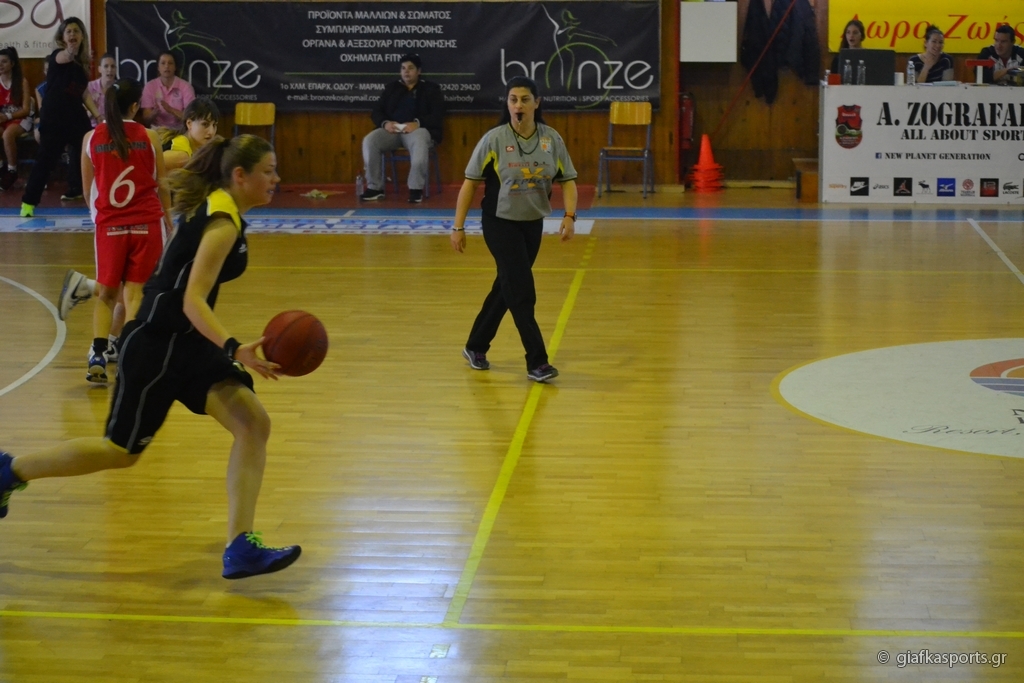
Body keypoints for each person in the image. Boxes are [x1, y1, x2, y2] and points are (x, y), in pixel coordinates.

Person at [0, 134, 302, 580]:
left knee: (253, 424)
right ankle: (10, 471)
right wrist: (234, 347)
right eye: (268, 171)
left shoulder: (223, 207)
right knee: (120, 451)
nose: (276, 179)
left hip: (189, 346)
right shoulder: (222, 222)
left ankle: (241, 547)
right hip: (157, 346)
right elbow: (192, 300)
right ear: (240, 176)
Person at [451, 76, 577, 383]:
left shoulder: (551, 139)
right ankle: (537, 361)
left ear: (537, 103)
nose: (518, 105)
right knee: (522, 291)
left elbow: (568, 180)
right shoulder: (494, 139)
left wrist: (570, 215)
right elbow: (470, 184)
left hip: (532, 223)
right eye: (513, 99)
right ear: (507, 105)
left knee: (506, 286)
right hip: (499, 222)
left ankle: (475, 345)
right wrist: (458, 226)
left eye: (524, 99)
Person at [58, 78, 172, 383]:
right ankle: (131, 356)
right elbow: (162, 184)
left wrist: (103, 217)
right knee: (135, 294)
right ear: (134, 107)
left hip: (110, 224)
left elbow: (87, 191)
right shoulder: (149, 136)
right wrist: (169, 220)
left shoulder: (90, 138)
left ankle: (97, 353)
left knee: (108, 294)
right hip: (146, 223)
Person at [20, 17, 102, 217]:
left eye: (76, 31)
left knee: (92, 150)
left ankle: (97, 196)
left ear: (82, 35)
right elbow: (67, 55)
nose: (73, 34)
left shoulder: (81, 65)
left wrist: (98, 115)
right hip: (54, 117)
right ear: (62, 37)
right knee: (45, 161)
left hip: (75, 115)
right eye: (69, 32)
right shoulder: (58, 56)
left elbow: (83, 93)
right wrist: (71, 50)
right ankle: (28, 203)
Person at [361, 53, 445, 203]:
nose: (406, 72)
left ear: (419, 71)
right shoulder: (391, 88)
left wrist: (417, 123)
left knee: (420, 140)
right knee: (370, 141)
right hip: (393, 130)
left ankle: (415, 189)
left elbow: (437, 114)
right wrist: (385, 123)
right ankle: (375, 188)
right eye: (403, 68)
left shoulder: (431, 89)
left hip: (417, 130)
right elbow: (376, 112)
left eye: (410, 68)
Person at [0, 47, 30, 191]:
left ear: (12, 64)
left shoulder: (21, 82)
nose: (0, 65)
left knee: (8, 134)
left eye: (4, 61)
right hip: (4, 119)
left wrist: (8, 116)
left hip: (21, 118)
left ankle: (12, 170)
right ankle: (1, 167)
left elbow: (26, 110)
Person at [140, 52, 195, 129]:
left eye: (170, 63)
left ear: (175, 67)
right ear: (158, 67)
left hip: (179, 129)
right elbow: (146, 119)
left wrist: (171, 110)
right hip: (157, 130)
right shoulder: (150, 86)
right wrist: (154, 113)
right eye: (163, 63)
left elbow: (190, 118)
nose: (166, 66)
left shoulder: (186, 86)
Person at [163, 98, 220, 170]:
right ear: (189, 124)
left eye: (214, 125)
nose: (211, 132)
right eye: (205, 124)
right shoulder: (181, 155)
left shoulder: (202, 151)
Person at [86, 53, 116, 127]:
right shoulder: (90, 87)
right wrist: (93, 109)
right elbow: (82, 116)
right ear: (99, 69)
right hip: (93, 128)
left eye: (113, 66)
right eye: (106, 66)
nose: (110, 70)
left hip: (113, 128)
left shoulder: (119, 88)